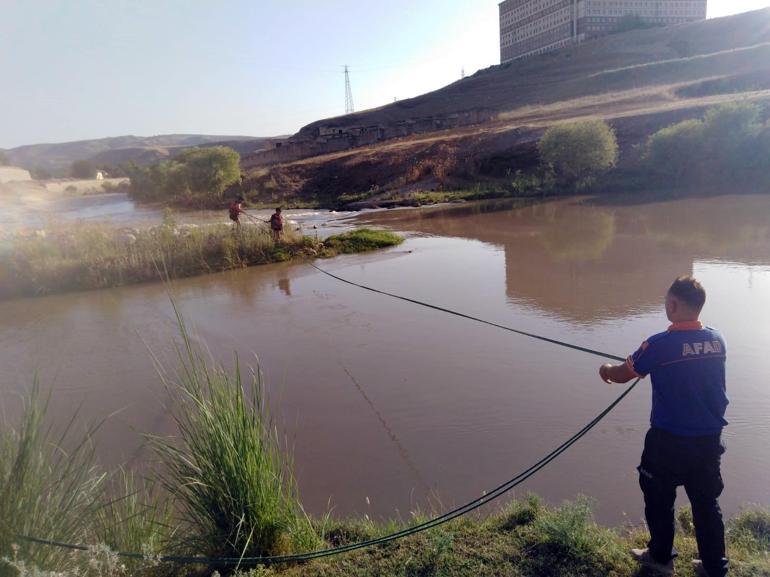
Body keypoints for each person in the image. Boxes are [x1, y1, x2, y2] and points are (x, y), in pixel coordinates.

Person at [598, 276, 729, 577]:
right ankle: (714, 567)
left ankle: (660, 558)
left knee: (658, 496)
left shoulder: (659, 344)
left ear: (672, 305)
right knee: (707, 502)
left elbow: (622, 373)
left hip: (668, 441)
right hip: (709, 439)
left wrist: (604, 370)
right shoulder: (717, 340)